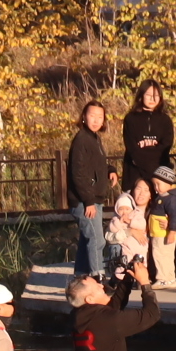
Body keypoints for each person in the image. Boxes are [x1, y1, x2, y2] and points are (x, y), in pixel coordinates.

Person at [70, 259, 161, 351]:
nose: (102, 285)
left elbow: (113, 309)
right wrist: (145, 283)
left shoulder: (78, 315)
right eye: (97, 287)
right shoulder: (108, 320)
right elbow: (152, 314)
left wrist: (128, 278)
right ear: (90, 299)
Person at [67, 101, 115, 276]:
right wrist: (88, 201)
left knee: (86, 238)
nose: (96, 120)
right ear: (83, 117)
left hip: (93, 198)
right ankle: (98, 275)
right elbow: (77, 173)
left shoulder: (94, 138)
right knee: (96, 239)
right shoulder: (82, 139)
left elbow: (96, 164)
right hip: (85, 200)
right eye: (92, 115)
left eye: (100, 117)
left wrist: (111, 170)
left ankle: (80, 275)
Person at [119, 84, 173, 194]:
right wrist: (145, 163)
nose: (152, 99)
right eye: (148, 95)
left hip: (158, 176)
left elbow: (165, 147)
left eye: (156, 95)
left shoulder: (165, 120)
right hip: (134, 173)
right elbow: (132, 148)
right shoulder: (130, 118)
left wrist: (152, 169)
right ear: (141, 96)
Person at [146, 165, 176, 287]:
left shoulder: (172, 199)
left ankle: (164, 278)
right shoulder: (163, 197)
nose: (156, 188)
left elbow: (174, 217)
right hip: (158, 232)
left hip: (163, 233)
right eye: (154, 185)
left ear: (169, 183)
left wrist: (172, 232)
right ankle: (168, 278)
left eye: (159, 184)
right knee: (161, 255)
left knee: (162, 255)